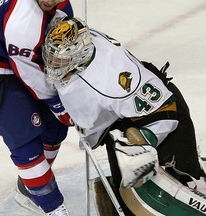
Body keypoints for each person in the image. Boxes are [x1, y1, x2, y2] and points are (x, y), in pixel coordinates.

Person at [42, 16, 205, 215]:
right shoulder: (82, 44)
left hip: (157, 111)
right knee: (127, 189)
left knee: (184, 182)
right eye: (52, 57)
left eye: (61, 59)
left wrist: (145, 140)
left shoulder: (112, 80)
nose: (54, 64)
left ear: (81, 53)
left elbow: (167, 110)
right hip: (119, 121)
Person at [0, 0, 74, 215]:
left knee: (55, 127)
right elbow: (31, 75)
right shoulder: (24, 23)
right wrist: (58, 105)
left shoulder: (61, 8)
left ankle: (31, 187)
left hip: (12, 50)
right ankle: (53, 208)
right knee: (25, 142)